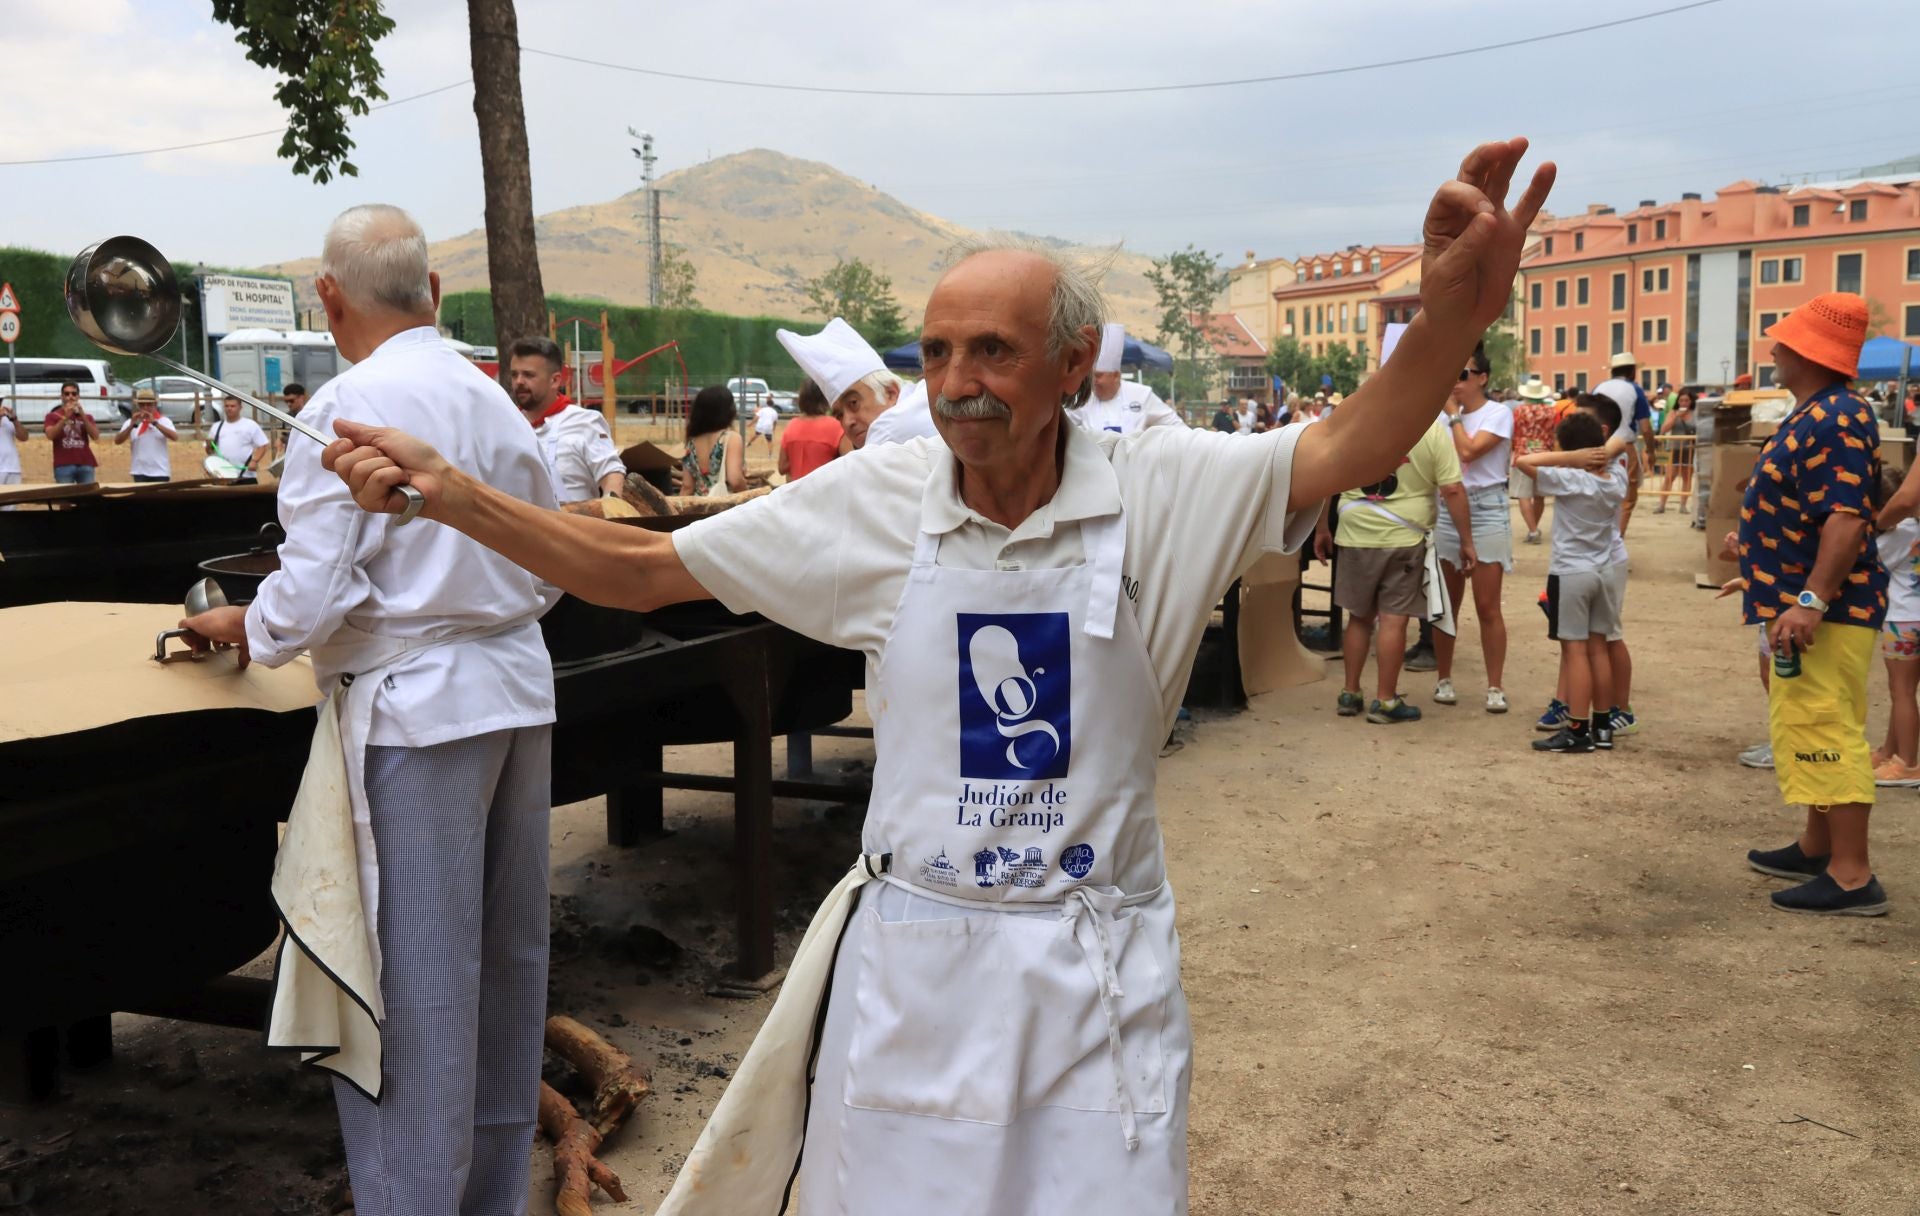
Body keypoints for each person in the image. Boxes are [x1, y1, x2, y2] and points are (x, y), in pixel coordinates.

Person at [319, 138, 1553, 1214]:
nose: (959, 383)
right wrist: (455, 495)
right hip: (918, 959)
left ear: (1074, 364)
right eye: (941, 350)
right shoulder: (877, 501)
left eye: (996, 352)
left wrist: (1447, 316)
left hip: (1094, 965)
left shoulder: (1168, 490)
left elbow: (1356, 439)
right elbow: (632, 572)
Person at [178, 203, 560, 1213]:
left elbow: (315, 592)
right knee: (506, 963)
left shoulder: (347, 407)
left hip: (419, 714)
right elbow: (548, 554)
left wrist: (245, 627)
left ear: (328, 297)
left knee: (417, 983)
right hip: (516, 695)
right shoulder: (495, 403)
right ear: (432, 293)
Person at [1735, 292, 1889, 916]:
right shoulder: (1821, 411)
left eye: (1783, 340)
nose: (1773, 347)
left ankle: (1851, 875)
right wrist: (1750, 549)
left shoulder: (1836, 416)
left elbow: (1846, 518)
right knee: (1810, 725)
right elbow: (1807, 509)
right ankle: (1817, 844)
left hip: (1827, 611)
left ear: (1806, 351)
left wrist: (1810, 598)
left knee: (1827, 728)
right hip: (1810, 605)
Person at [1315, 415, 1472, 724]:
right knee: (1393, 619)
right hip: (1404, 535)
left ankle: (1350, 692)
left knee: (1358, 617)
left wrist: (1322, 527)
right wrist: (1467, 540)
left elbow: (1329, 480)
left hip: (1355, 531)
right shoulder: (1431, 430)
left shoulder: (1357, 425)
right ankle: (1386, 700)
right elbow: (1452, 489)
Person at [1515, 409, 1629, 753]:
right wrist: (1596, 454)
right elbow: (1622, 441)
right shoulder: (1617, 478)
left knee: (1574, 651)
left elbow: (1523, 460)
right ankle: (1602, 727)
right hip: (1605, 571)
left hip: (1571, 572)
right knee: (1599, 648)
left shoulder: (1570, 478)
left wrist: (1570, 458)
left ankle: (1577, 729)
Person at [1433, 341, 1514, 713]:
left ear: (1482, 378)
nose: (1455, 381)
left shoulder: (1498, 413)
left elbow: (1468, 452)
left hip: (1487, 506)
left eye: (1462, 374)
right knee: (1447, 604)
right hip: (1448, 506)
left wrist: (1453, 416)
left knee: (1487, 606)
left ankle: (1494, 686)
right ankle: (1443, 678)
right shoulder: (1441, 417)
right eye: (1450, 373)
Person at [507, 335, 625, 502]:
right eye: (514, 375)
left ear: (555, 380)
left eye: (528, 375)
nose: (519, 382)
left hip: (575, 524)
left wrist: (612, 511)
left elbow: (611, 475)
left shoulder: (585, 422)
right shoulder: (507, 426)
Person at [1872, 463, 1920, 785]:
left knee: (1901, 692)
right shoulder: (1916, 529)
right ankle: (1890, 750)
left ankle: (1907, 763)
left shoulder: (1886, 539)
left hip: (1901, 618)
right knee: (1903, 691)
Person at [1068, 324, 1182, 435]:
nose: (1094, 382)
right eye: (1091, 376)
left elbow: (1176, 427)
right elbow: (1062, 427)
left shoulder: (1141, 395)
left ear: (1116, 376)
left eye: (1099, 376)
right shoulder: (1084, 399)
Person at [1599, 351, 1656, 534]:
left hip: (1600, 445)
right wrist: (1651, 450)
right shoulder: (1635, 390)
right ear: (1632, 371)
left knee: (1600, 490)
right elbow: (1645, 427)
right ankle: (1618, 537)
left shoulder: (1598, 388)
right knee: (1627, 495)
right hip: (1625, 445)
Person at [1508, 375, 1558, 543]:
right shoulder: (1551, 412)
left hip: (1522, 454)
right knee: (1539, 495)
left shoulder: (1518, 411)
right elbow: (1555, 434)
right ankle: (1534, 528)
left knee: (1523, 495)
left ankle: (1533, 530)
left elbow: (1512, 433)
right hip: (1544, 455)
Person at [678, 385, 747, 496]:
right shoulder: (731, 438)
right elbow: (735, 480)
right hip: (724, 509)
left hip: (699, 509)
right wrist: (749, 498)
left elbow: (687, 486)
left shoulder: (692, 442)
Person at [778, 379, 845, 481]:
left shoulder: (792, 425)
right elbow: (849, 466)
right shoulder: (837, 426)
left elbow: (782, 467)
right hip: (825, 491)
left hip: (797, 492)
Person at [115, 386, 176, 482]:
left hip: (160, 471)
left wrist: (155, 423)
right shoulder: (132, 422)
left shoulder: (164, 421)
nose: (146, 408)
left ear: (155, 405)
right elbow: (117, 441)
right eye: (142, 405)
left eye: (149, 405)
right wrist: (131, 425)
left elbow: (174, 437)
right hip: (139, 471)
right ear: (138, 406)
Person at [44, 382, 100, 485]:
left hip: (85, 463)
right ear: (62, 396)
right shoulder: (52, 416)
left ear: (78, 396)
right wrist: (65, 417)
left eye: (74, 394)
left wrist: (82, 415)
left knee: (87, 498)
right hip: (63, 464)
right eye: (67, 394)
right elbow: (50, 435)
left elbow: (95, 436)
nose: (70, 397)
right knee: (66, 498)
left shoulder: (88, 417)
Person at [1653, 387, 1697, 514]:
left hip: (1689, 448)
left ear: (1691, 401)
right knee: (1669, 476)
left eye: (1686, 400)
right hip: (1674, 447)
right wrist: (1676, 417)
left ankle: (1683, 505)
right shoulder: (1673, 412)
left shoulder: (1695, 413)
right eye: (1681, 400)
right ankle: (1661, 504)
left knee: (1686, 477)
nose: (1683, 403)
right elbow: (1663, 429)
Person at [209, 395, 269, 483]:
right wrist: (208, 446)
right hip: (223, 477)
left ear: (240, 407)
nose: (229, 408)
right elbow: (211, 451)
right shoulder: (216, 427)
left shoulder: (250, 425)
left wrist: (254, 461)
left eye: (233, 406)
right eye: (227, 406)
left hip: (245, 476)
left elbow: (263, 445)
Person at [275, 382, 309, 456]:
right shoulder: (286, 417)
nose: (289, 404)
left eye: (291, 400)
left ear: (301, 398)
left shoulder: (311, 416)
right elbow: (285, 435)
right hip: (291, 457)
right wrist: (280, 440)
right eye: (286, 401)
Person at [0, 395, 23, 504]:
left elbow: (24, 437)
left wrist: (15, 419)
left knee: (11, 507)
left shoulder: (8, 420)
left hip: (12, 468)